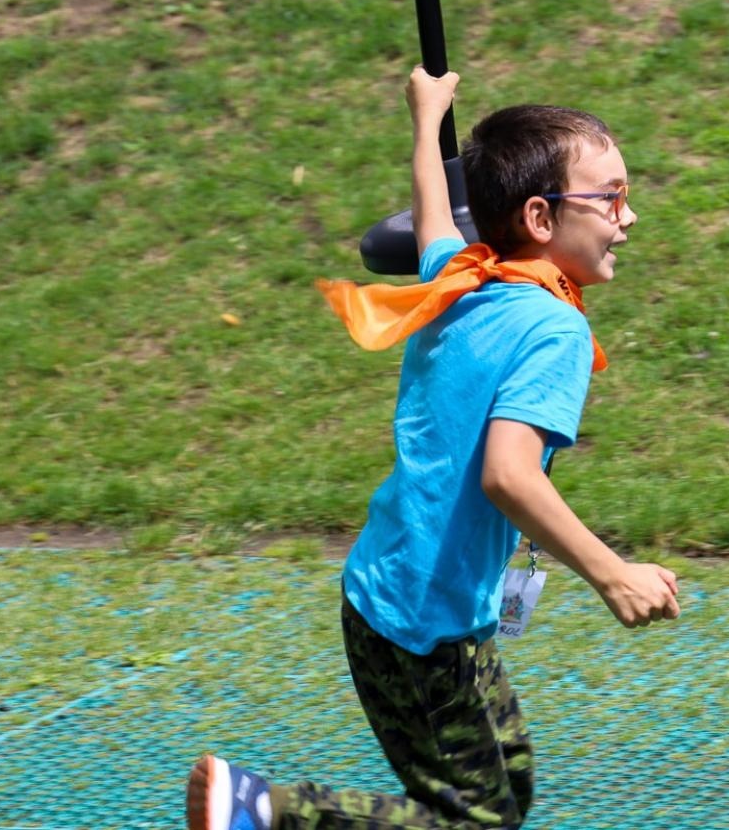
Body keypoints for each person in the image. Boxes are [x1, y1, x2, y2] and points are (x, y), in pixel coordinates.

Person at [186, 67, 682, 830]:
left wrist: (428, 119)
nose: (631, 215)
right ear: (542, 217)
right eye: (611, 196)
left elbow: (433, 218)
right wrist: (613, 574)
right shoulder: (554, 330)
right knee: (477, 821)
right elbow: (509, 477)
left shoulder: (462, 277)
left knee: (506, 789)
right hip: (425, 621)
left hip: (400, 596)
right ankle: (262, 811)